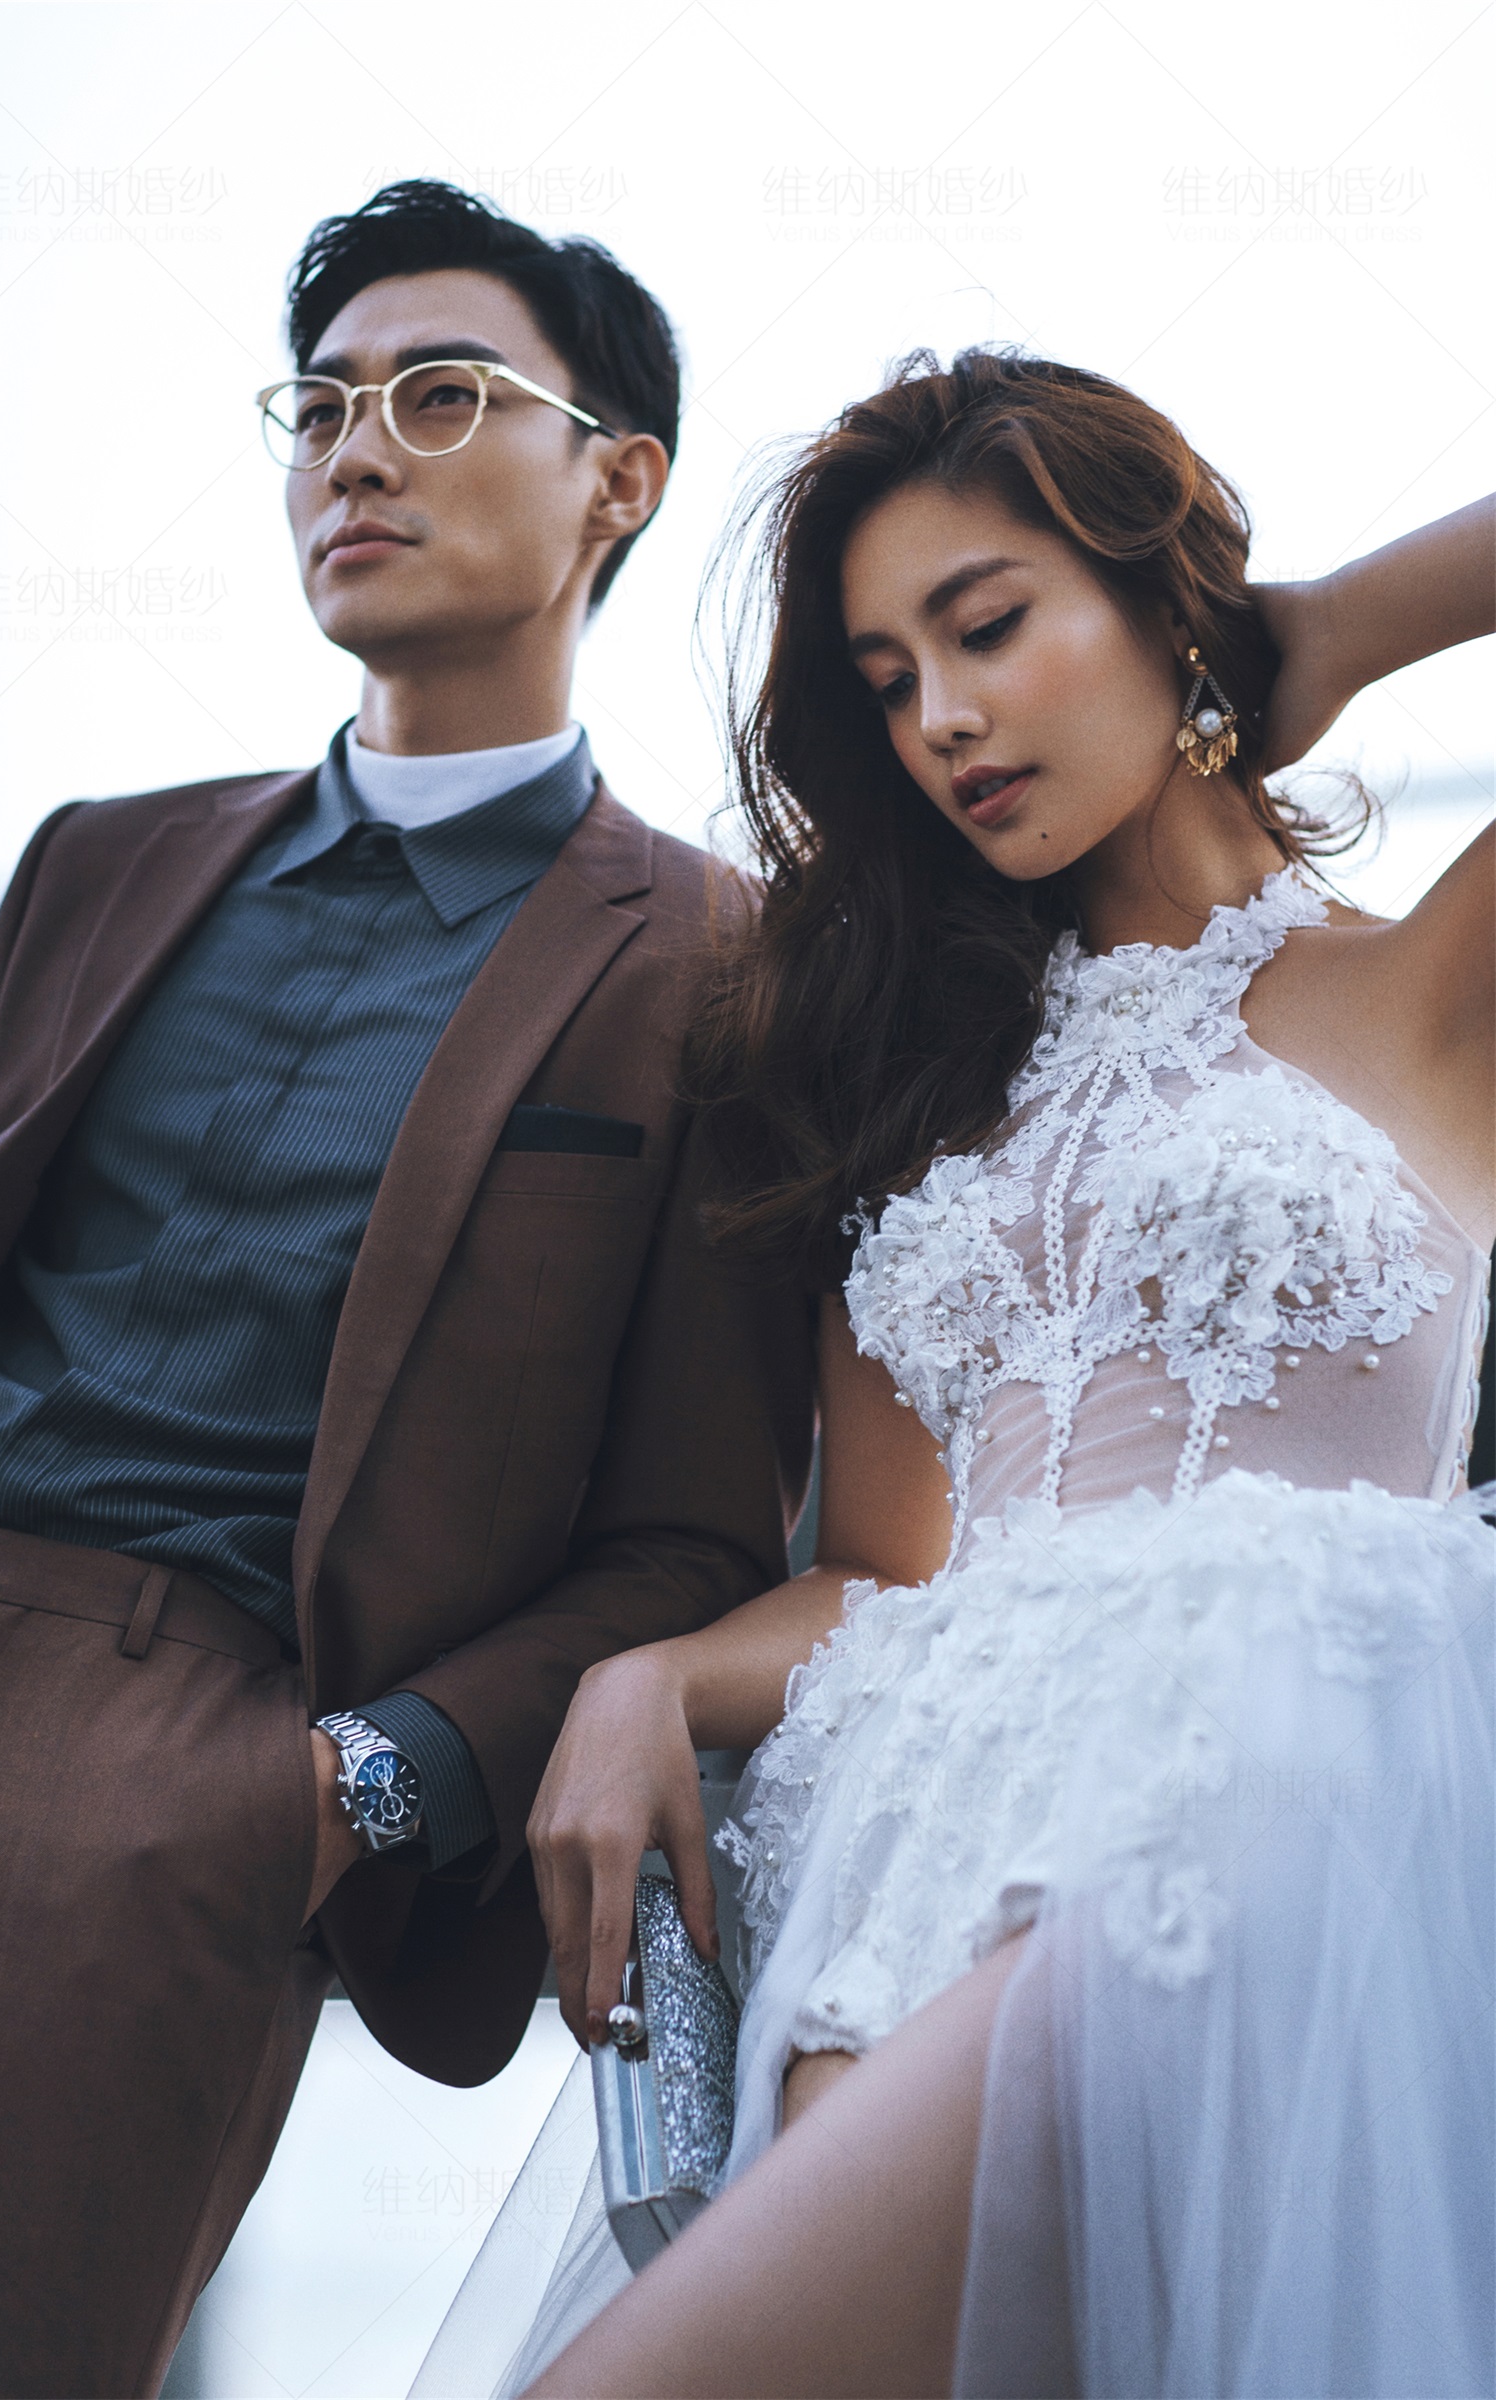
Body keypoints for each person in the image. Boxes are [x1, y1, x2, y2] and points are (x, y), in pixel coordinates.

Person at [0, 180, 815, 2400]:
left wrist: (353, 1793)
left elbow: (688, 1538)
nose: (355, 453)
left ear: (617, 481)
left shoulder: (717, 971)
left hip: (166, 1784)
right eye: (315, 410)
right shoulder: (98, 858)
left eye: (440, 395)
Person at [501, 353, 1494, 2397]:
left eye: (987, 625)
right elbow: (886, 1571)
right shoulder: (917, 1083)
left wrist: (1324, 631)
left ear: (1162, 603)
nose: (940, 718)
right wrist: (648, 1682)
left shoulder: (1429, 991)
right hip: (897, 1849)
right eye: (887, 681)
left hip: (1255, 1835)